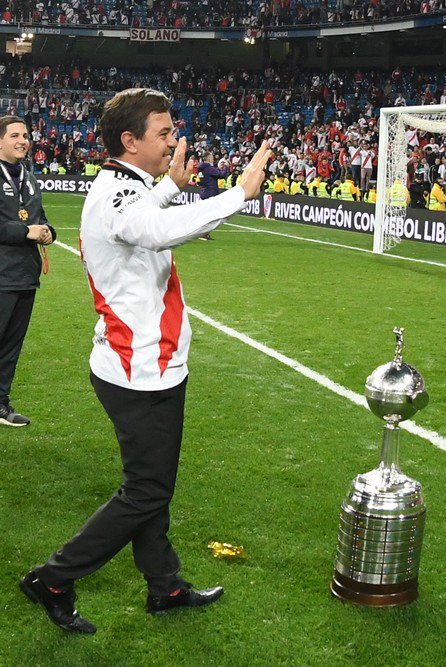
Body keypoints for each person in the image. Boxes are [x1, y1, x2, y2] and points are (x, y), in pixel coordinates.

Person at [19, 88, 272, 634]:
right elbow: (152, 229)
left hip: (144, 362)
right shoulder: (115, 196)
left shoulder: (123, 186)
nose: (173, 140)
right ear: (129, 141)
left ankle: (165, 585)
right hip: (139, 368)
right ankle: (54, 578)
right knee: (145, 492)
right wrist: (239, 194)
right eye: (163, 132)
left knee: (151, 486)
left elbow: (143, 212)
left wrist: (169, 186)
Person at [0, 115, 55, 427]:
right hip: (1, 274)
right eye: (15, 135)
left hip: (25, 275)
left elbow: (40, 217)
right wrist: (25, 232)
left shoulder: (30, 177)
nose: (23, 140)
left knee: (10, 348)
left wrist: (48, 231)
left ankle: (1, 404)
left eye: (26, 135)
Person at [196, 153, 229, 240]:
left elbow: (201, 180)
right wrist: (226, 168)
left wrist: (219, 169)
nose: (213, 158)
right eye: (212, 157)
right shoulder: (208, 168)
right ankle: (203, 232)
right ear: (209, 158)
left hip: (204, 192)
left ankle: (204, 232)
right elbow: (221, 175)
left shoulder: (200, 168)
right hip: (211, 193)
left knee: (207, 214)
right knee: (211, 215)